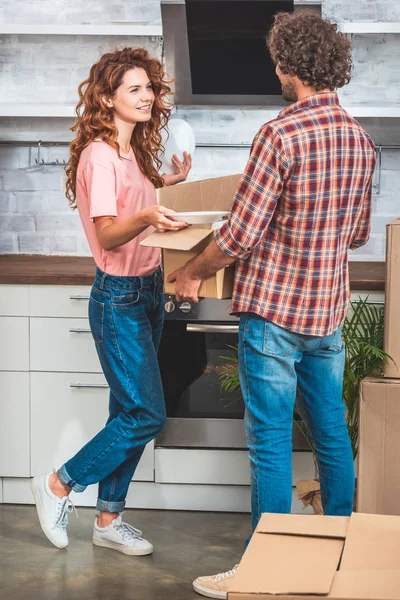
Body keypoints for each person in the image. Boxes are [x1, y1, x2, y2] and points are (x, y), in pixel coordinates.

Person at [169, 10, 376, 599]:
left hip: (275, 316)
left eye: (277, 60)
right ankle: (337, 562)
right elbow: (357, 233)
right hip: (326, 314)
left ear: (289, 65)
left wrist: (189, 271)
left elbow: (240, 236)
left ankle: (264, 570)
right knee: (332, 434)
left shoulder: (279, 135)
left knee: (269, 442)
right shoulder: (359, 140)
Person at [30, 47, 191, 555]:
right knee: (146, 414)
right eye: (134, 89)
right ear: (107, 97)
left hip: (147, 290)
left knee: (127, 409)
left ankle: (107, 521)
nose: (147, 97)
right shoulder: (100, 154)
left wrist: (169, 185)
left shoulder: (134, 151)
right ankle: (59, 483)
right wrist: (147, 218)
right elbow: (108, 234)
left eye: (149, 87)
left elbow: (135, 199)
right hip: (118, 298)